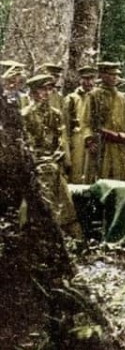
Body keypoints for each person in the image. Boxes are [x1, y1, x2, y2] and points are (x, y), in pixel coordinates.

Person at [21, 74, 83, 239]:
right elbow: (26, 144)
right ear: (33, 93)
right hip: (36, 167)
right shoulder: (25, 115)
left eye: (49, 89)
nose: (46, 93)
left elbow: (60, 140)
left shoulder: (55, 114)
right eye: (42, 89)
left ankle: (70, 241)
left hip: (54, 165)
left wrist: (58, 156)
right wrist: (37, 161)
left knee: (66, 206)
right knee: (38, 206)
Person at [81, 62, 125, 182]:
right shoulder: (93, 95)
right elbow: (86, 121)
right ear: (102, 75)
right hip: (101, 145)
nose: (114, 77)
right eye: (111, 74)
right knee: (100, 179)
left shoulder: (122, 98)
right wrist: (89, 140)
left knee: (124, 179)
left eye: (116, 75)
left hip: (119, 145)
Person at [64, 65, 96, 183]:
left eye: (91, 79)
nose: (89, 82)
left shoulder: (97, 96)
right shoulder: (72, 98)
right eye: (85, 79)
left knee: (92, 172)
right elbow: (66, 124)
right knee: (76, 171)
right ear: (80, 80)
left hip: (94, 138)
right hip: (77, 139)